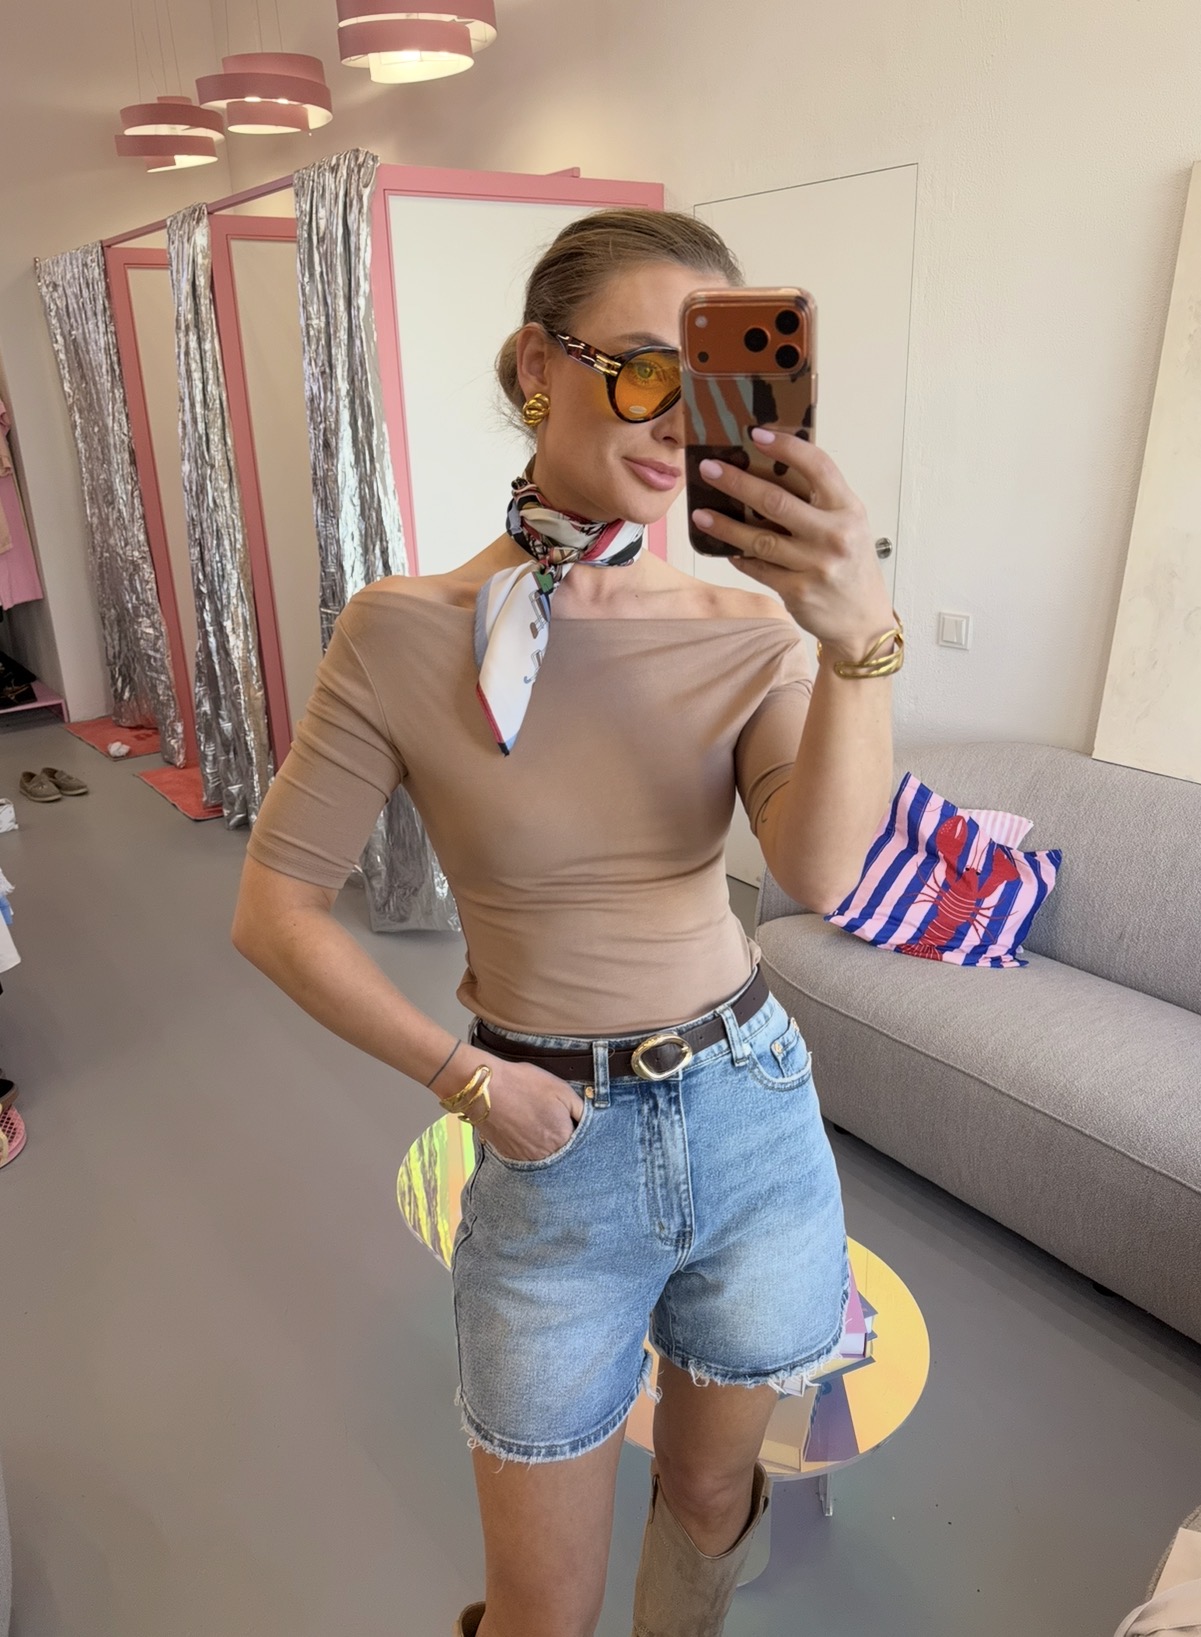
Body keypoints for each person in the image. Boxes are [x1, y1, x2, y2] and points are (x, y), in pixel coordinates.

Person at [232, 208, 900, 1637]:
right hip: (548, 1144)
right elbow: (276, 911)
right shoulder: (403, 629)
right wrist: (462, 1077)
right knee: (542, 1609)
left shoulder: (749, 631)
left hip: (751, 1119)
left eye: (709, 386)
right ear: (540, 366)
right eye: (643, 369)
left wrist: (858, 647)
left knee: (710, 1498)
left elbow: (827, 872)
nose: (674, 423)